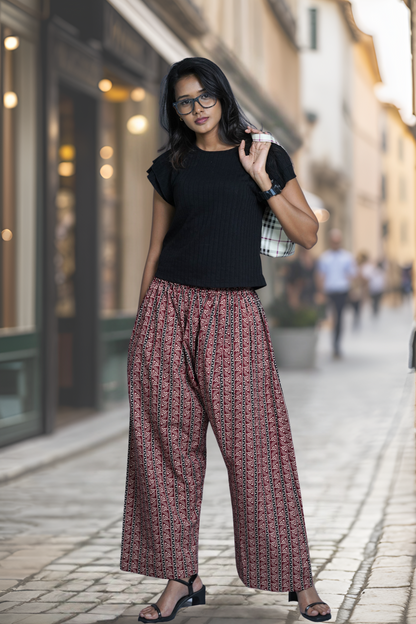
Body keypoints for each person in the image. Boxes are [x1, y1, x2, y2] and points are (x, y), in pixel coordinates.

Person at [120, 57, 331, 623]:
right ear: (174, 109)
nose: (195, 110)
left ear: (221, 93)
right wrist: (144, 325)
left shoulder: (261, 152)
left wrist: (264, 180)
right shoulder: (171, 165)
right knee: (166, 455)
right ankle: (180, 577)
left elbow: (307, 233)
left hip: (234, 314)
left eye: (203, 97)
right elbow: (155, 248)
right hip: (168, 309)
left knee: (258, 453)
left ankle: (298, 578)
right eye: (183, 103)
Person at [317, 229, 356, 358]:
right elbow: (321, 276)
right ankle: (332, 342)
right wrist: (321, 291)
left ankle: (336, 345)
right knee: (329, 318)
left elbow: (352, 275)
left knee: (339, 318)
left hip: (342, 291)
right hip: (329, 291)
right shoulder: (325, 257)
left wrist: (352, 289)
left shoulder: (347, 257)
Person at [348, 251, 369, 329]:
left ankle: (356, 322)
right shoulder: (357, 267)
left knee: (357, 308)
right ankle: (356, 323)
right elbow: (358, 278)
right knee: (357, 307)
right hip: (356, 289)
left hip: (358, 289)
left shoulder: (358, 267)